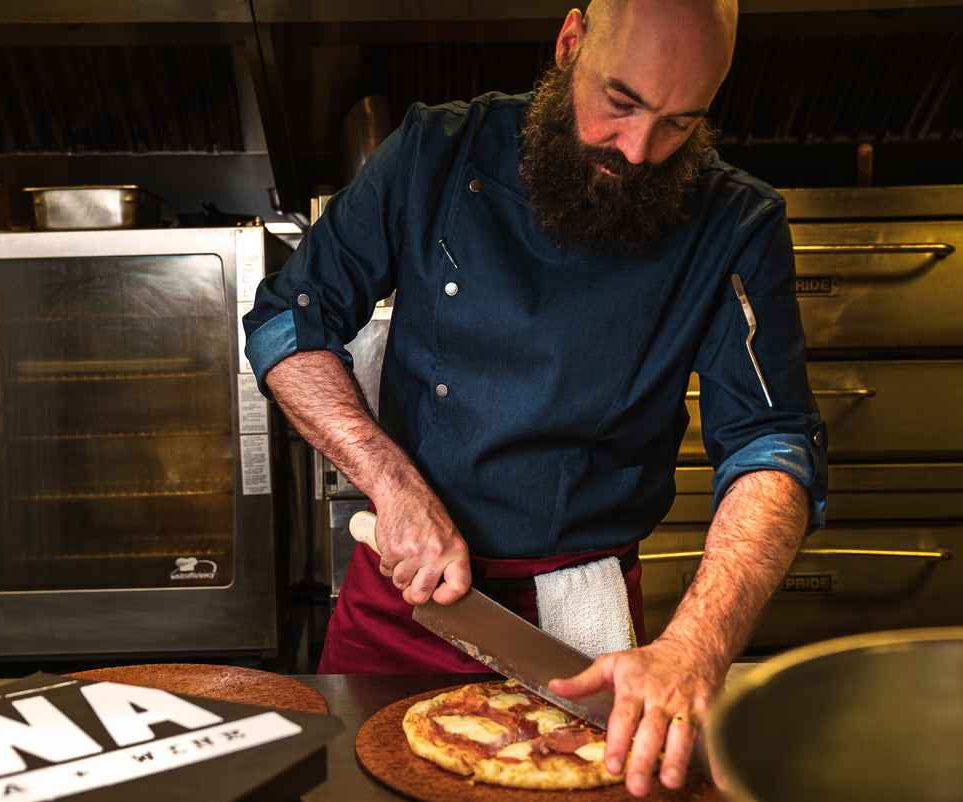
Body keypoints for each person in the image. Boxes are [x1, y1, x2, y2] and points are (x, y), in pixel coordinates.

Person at [244, 0, 827, 795]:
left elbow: (773, 444)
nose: (639, 150)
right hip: (407, 594)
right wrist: (390, 481)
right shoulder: (434, 154)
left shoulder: (736, 223)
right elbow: (288, 320)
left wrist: (697, 645)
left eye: (679, 123)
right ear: (571, 42)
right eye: (620, 103)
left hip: (584, 627)